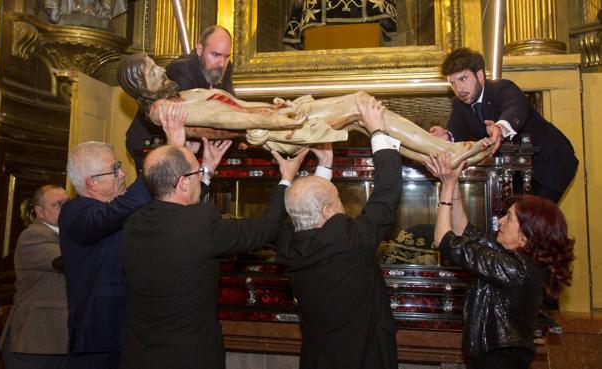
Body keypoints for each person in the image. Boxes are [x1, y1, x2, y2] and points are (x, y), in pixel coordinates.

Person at [119, 134, 309, 369]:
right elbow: (265, 229)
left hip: (139, 355)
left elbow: (179, 213)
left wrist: (207, 169)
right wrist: (286, 179)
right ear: (183, 182)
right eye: (196, 172)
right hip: (189, 357)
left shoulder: (133, 223)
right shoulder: (201, 223)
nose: (200, 176)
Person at [117, 54, 495, 169]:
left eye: (154, 64)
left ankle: (438, 156)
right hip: (274, 131)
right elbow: (223, 118)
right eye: (151, 72)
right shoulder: (165, 109)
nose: (160, 70)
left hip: (270, 121)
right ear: (139, 87)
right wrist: (272, 119)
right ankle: (442, 151)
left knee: (365, 116)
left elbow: (234, 106)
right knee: (361, 104)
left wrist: (271, 107)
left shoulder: (174, 97)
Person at [275, 98, 401, 369]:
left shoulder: (287, 247)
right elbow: (387, 194)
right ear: (327, 212)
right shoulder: (349, 244)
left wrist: (326, 165)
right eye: (339, 203)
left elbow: (307, 205)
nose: (343, 209)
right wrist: (378, 132)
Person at [427, 151, 575, 369]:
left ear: (525, 237)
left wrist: (446, 188)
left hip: (499, 360)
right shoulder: (516, 260)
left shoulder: (518, 269)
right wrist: (454, 182)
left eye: (509, 218)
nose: (501, 220)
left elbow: (445, 241)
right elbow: (463, 232)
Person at [431, 47, 579, 203]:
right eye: (453, 83)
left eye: (463, 79)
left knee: (532, 222)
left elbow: (515, 108)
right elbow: (455, 130)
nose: (459, 89)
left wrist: (500, 128)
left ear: (480, 75)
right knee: (515, 219)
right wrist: (446, 136)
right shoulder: (459, 105)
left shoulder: (502, 88)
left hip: (552, 163)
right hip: (516, 170)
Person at [58, 141, 152, 369]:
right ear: (93, 183)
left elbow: (162, 206)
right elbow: (118, 210)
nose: (123, 173)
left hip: (126, 334)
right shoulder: (75, 212)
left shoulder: (120, 210)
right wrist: (159, 164)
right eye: (115, 168)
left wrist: (205, 170)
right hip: (97, 338)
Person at [123, 25, 234, 171]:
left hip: (185, 143)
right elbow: (189, 117)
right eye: (215, 55)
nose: (222, 63)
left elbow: (230, 104)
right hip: (148, 142)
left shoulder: (223, 66)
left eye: (226, 57)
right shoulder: (182, 70)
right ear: (199, 50)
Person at [0, 185, 69, 369]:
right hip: (36, 338)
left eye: (68, 204)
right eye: (58, 204)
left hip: (57, 339)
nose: (65, 209)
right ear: (40, 212)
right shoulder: (34, 234)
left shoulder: (65, 235)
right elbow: (65, 261)